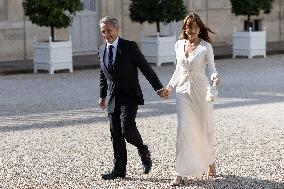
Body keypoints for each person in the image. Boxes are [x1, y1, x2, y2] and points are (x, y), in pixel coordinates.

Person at [98, 16, 167, 180]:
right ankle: (119, 170)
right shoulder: (101, 49)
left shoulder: (129, 47)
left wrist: (158, 87)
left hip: (129, 96)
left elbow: (145, 68)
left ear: (117, 29)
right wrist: (102, 95)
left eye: (109, 30)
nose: (106, 34)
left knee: (126, 130)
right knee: (116, 135)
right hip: (112, 98)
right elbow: (103, 74)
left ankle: (143, 150)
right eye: (103, 32)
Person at [164, 13, 219, 186]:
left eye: (195, 27)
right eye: (189, 27)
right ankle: (179, 172)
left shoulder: (205, 47)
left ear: (200, 29)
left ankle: (209, 160)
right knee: (184, 130)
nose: (192, 30)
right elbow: (178, 70)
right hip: (182, 92)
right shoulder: (179, 45)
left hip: (201, 91)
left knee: (204, 127)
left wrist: (215, 77)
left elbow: (212, 69)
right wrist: (169, 87)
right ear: (185, 29)